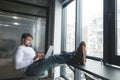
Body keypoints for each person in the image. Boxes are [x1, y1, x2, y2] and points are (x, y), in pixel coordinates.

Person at [14, 33, 86, 77]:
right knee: (53, 58)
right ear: (23, 39)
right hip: (29, 70)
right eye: (28, 40)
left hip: (33, 66)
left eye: (31, 40)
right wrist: (34, 58)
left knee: (56, 56)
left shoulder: (28, 48)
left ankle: (75, 58)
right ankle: (75, 54)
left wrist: (38, 58)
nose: (30, 42)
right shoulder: (20, 49)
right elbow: (17, 65)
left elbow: (31, 59)